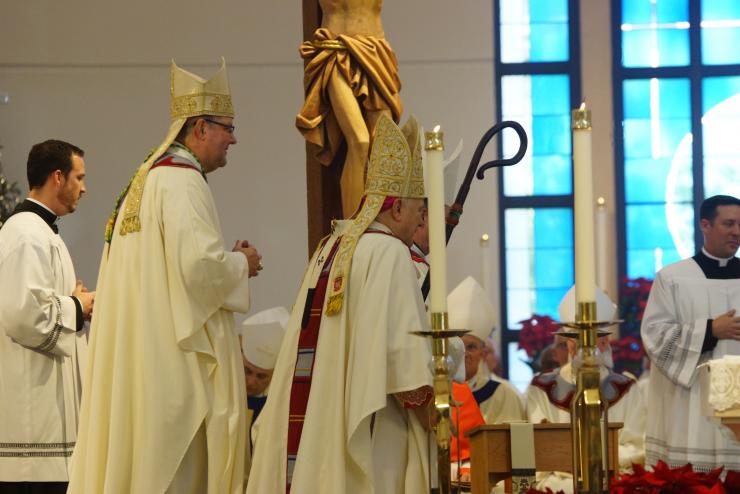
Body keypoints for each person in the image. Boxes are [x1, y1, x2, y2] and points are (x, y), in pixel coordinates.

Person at [68, 59, 262, 494]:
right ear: (199, 128)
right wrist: (241, 265)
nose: (233, 138)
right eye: (227, 127)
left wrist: (224, 264)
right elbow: (199, 271)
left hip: (143, 358)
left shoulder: (148, 177)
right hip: (174, 365)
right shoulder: (183, 181)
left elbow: (174, 266)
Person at [247, 114, 432, 494]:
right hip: (372, 432)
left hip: (318, 428)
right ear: (396, 208)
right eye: (418, 210)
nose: (420, 222)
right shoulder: (391, 255)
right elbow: (405, 371)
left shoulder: (330, 247)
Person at [0, 140, 95, 494]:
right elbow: (23, 315)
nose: (84, 188)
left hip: (49, 419)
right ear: (58, 176)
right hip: (33, 430)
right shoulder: (26, 233)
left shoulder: (42, 232)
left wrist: (72, 300)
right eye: (79, 177)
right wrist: (76, 306)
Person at [641, 194, 740, 472]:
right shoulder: (673, 278)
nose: (737, 232)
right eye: (729, 224)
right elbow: (655, 336)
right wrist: (711, 330)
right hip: (691, 408)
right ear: (705, 225)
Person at [527, 286, 646, 493]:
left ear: (605, 341)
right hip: (558, 486)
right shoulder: (542, 388)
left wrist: (591, 463)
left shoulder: (627, 388)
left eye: (591, 337)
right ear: (567, 342)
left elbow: (638, 448)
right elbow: (538, 452)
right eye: (575, 337)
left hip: (612, 482)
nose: (582, 345)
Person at [297, 0, 403, 217]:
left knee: (384, 147)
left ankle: (382, 225)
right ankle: (353, 232)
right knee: (360, 140)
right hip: (336, 52)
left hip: (374, 52)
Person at [449, 276, 526, 424]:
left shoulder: (504, 395)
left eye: (471, 347)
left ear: (482, 353)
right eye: (457, 347)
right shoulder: (438, 395)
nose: (464, 354)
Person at [238, 306, 288, 480]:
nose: (252, 382)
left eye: (262, 376)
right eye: (247, 371)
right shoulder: (221, 395)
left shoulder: (274, 408)